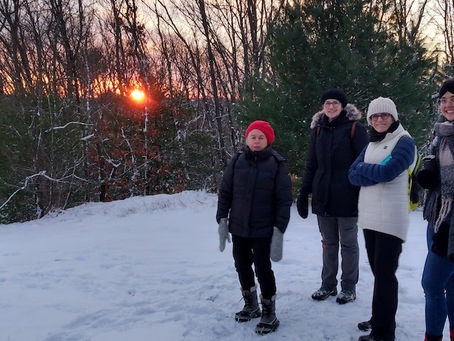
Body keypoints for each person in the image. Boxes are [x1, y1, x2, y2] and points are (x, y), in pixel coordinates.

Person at [349, 97, 417, 341]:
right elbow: (351, 174)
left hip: (390, 219)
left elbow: (388, 172)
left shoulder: (404, 142)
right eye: (375, 116)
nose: (379, 119)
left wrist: (366, 172)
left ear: (393, 117)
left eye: (384, 115)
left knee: (386, 276)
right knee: (380, 274)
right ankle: (381, 317)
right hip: (369, 218)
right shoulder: (371, 143)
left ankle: (383, 333)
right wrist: (372, 174)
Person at [216, 120, 293, 335]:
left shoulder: (277, 164)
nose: (257, 141)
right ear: (247, 139)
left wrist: (279, 230)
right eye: (253, 137)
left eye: (261, 137)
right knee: (241, 265)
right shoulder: (237, 161)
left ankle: (269, 311)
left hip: (263, 229)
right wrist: (222, 219)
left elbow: (284, 199)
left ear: (268, 140)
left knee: (262, 268)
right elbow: (225, 192)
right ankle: (251, 305)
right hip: (239, 227)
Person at [297, 88, 369, 304]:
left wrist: (362, 195)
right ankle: (328, 285)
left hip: (348, 196)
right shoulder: (318, 130)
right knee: (328, 243)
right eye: (327, 103)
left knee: (348, 243)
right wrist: (303, 192)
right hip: (323, 196)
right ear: (323, 106)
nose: (331, 106)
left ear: (343, 106)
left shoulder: (355, 129)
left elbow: (364, 163)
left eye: (335, 103)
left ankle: (348, 287)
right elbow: (311, 164)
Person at [418, 78, 454, 341]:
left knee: (431, 284)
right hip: (436, 216)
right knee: (451, 284)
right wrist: (429, 169)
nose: (448, 105)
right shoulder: (442, 132)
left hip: (450, 226)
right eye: (444, 100)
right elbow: (436, 160)